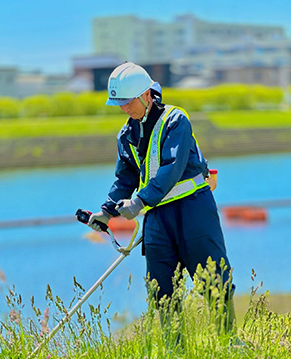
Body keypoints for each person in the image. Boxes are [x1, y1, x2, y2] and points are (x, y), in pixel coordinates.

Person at [88, 62, 236, 336]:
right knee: (162, 287)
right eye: (118, 103)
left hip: (193, 209)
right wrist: (107, 212)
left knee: (213, 278)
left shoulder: (175, 120)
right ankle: (174, 354)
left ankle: (228, 341)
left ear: (146, 95)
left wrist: (140, 202)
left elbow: (171, 167)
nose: (123, 108)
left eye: (128, 101)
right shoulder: (126, 135)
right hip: (157, 217)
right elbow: (125, 179)